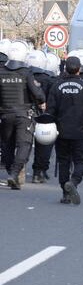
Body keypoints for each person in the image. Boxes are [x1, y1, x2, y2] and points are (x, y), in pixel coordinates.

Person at [46, 56, 83, 205]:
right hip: (81, 131)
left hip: (61, 131)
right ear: (79, 69)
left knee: (63, 161)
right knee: (81, 160)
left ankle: (65, 194)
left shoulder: (56, 87)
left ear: (65, 69)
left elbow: (50, 111)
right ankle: (74, 181)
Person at [0, 41, 46, 189]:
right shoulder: (26, 73)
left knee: (7, 145)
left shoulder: (1, 72)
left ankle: (11, 172)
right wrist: (41, 100)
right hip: (23, 115)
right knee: (24, 145)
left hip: (5, 114)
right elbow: (37, 94)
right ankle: (14, 174)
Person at [27, 51, 56, 183]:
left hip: (25, 113)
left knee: (23, 144)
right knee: (44, 145)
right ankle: (38, 172)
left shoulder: (24, 75)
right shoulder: (49, 80)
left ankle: (18, 169)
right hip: (45, 116)